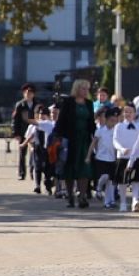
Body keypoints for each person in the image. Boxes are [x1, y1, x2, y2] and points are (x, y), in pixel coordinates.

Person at [51, 80, 97, 208]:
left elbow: (91, 122)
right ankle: (70, 197)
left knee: (84, 168)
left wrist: (97, 135)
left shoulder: (89, 104)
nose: (85, 91)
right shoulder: (68, 102)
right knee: (69, 169)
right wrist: (56, 137)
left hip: (84, 140)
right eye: (83, 88)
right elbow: (61, 121)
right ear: (77, 89)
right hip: (70, 140)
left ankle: (82, 197)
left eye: (87, 89)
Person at [12, 84, 39, 181]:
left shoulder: (37, 105)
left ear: (33, 94)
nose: (28, 94)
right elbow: (15, 120)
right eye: (26, 93)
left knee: (34, 153)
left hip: (34, 132)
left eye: (30, 93)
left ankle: (33, 172)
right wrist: (16, 133)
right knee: (22, 154)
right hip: (23, 132)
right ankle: (22, 173)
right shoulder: (20, 105)